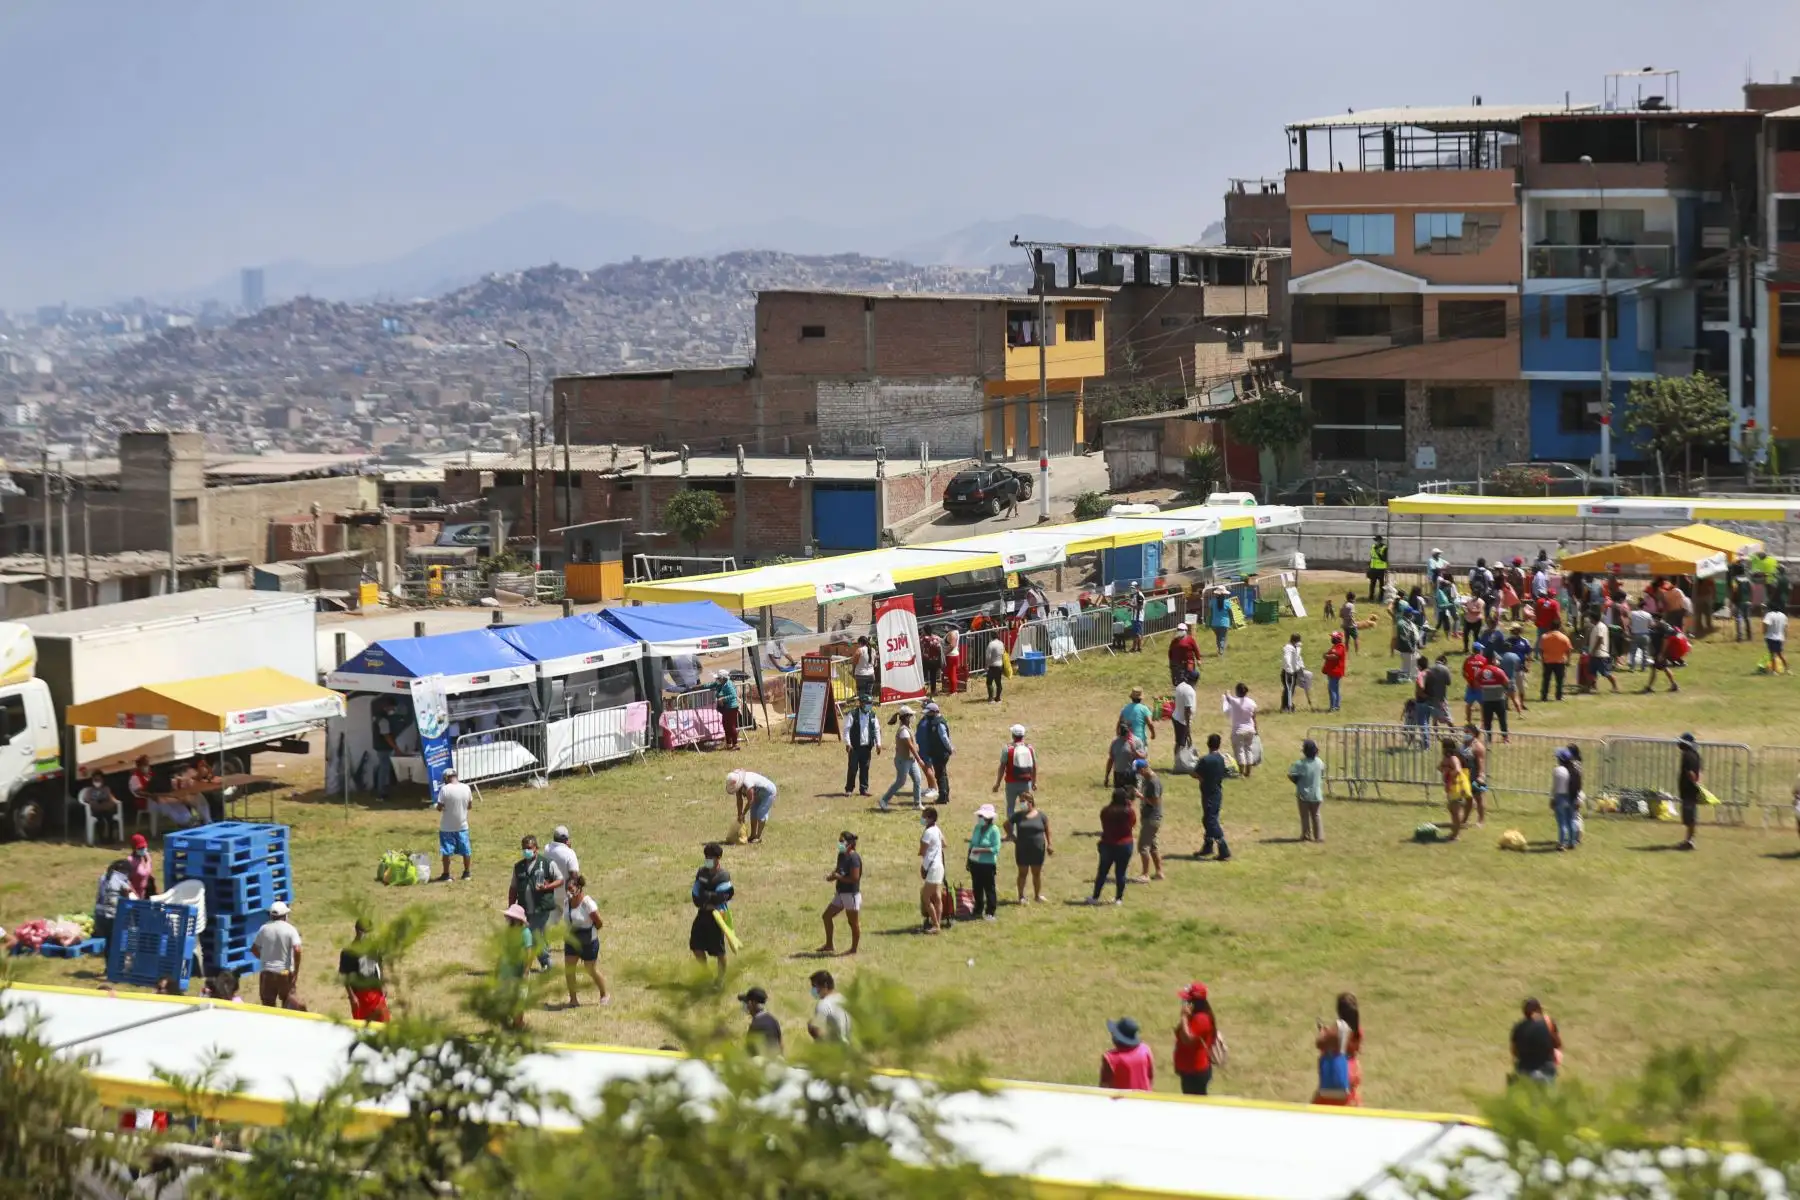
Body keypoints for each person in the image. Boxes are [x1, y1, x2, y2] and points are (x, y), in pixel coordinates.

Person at [507, 835, 559, 971]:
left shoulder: (547, 863)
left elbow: (560, 880)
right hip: (524, 909)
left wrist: (547, 886)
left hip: (541, 907)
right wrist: (511, 908)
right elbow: (513, 888)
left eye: (529, 848)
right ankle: (542, 962)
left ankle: (543, 962)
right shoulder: (518, 867)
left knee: (532, 935)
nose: (526, 851)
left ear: (536, 848)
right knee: (533, 936)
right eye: (524, 848)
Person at [560, 872, 609, 1007]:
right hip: (572, 940)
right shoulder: (566, 902)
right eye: (567, 889)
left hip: (588, 942)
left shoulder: (587, 903)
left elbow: (599, 923)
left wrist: (587, 932)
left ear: (579, 888)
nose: (569, 892)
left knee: (590, 969)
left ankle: (604, 994)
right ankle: (573, 1000)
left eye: (571, 889)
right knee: (569, 970)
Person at [690, 843, 734, 983]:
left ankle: (720, 980)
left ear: (718, 858)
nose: (708, 860)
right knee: (696, 947)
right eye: (706, 857)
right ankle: (707, 975)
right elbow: (696, 894)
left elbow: (722, 897)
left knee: (719, 951)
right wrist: (707, 898)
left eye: (711, 857)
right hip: (702, 914)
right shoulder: (702, 872)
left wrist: (707, 896)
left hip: (717, 916)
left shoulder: (723, 876)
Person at [1086, 785, 1136, 906]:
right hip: (1125, 844)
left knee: (1102, 872)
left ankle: (1095, 896)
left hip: (1108, 844)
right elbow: (1133, 824)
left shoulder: (1106, 811)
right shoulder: (1129, 812)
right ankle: (1118, 898)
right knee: (1121, 873)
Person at [251, 900, 305, 1011]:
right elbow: (297, 949)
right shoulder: (290, 929)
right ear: (285, 915)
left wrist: (265, 959)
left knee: (268, 1005)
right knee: (288, 1001)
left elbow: (254, 949)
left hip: (267, 972)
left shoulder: (264, 929)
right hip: (284, 972)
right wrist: (295, 970)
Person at [1314, 994, 1363, 1106]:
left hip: (1338, 1072)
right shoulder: (1357, 1030)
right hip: (1353, 1070)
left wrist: (1323, 1033)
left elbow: (1320, 1044)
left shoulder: (1338, 1028)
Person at [819, 831, 862, 955]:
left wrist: (838, 877)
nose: (840, 844)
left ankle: (853, 949)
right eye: (839, 841)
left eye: (842, 841)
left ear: (850, 843)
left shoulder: (854, 858)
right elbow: (839, 871)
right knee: (826, 916)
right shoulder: (841, 855)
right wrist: (832, 876)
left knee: (853, 923)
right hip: (841, 893)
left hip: (851, 895)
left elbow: (854, 878)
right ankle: (829, 945)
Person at [338, 918, 388, 1023]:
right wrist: (352, 997)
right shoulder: (348, 952)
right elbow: (344, 975)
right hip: (360, 996)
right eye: (366, 932)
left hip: (376, 993)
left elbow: (379, 965)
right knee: (363, 1027)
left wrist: (383, 983)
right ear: (358, 931)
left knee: (384, 1025)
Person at [1172, 982, 1217, 1095]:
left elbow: (1187, 1039)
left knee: (1195, 1103)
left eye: (1187, 1000)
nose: (1184, 1003)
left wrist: (1184, 1017)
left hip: (1195, 1071)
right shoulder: (1193, 1016)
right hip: (1188, 1069)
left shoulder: (1201, 1019)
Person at [879, 707, 924, 812]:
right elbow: (910, 746)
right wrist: (919, 759)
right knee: (900, 782)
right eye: (911, 715)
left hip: (910, 759)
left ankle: (917, 803)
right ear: (906, 717)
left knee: (917, 779)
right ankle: (884, 800)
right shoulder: (903, 731)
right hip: (903, 760)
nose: (913, 717)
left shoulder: (908, 728)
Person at [1010, 790, 1052, 903]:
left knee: (1036, 873)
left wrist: (1050, 844)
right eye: (1020, 801)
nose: (1021, 803)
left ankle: (1037, 896)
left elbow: (1047, 829)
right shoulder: (1018, 815)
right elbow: (1006, 824)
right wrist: (1012, 836)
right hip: (1022, 849)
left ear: (1030, 801)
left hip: (1037, 849)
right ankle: (1021, 897)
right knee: (1022, 873)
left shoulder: (1041, 815)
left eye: (1023, 801)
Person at [1196, 733, 1232, 862]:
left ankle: (1223, 848)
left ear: (1208, 744)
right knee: (1208, 819)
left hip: (1208, 792)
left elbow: (1195, 773)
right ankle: (1208, 845)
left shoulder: (1205, 760)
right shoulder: (1221, 759)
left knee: (1210, 820)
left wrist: (1202, 779)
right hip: (1217, 791)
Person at [992, 723, 1037, 827]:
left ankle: (1010, 831)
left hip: (1011, 783)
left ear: (1013, 735)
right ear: (1023, 735)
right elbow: (1034, 766)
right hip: (1026, 783)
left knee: (1010, 807)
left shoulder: (1007, 749)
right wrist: (1034, 782)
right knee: (1026, 807)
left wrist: (997, 783)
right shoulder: (1030, 748)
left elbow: (1002, 767)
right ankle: (1026, 829)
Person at [433, 769, 474, 882]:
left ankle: (446, 874)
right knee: (466, 850)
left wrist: (438, 806)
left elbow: (439, 807)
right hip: (462, 825)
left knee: (446, 851)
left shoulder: (445, 789)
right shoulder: (466, 788)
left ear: (446, 778)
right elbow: (470, 806)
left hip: (447, 827)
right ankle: (467, 873)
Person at [1510, 997, 1562, 1085]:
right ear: (1539, 1010)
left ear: (1524, 1012)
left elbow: (1514, 1052)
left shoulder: (1518, 1027)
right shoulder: (1548, 1023)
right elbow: (1558, 1045)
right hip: (1545, 1071)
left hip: (1523, 1071)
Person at [840, 695, 882, 797]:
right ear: (861, 703)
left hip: (867, 747)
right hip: (855, 747)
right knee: (853, 768)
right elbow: (846, 730)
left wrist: (878, 743)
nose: (869, 705)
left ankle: (864, 789)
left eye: (870, 703)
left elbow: (876, 729)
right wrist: (848, 743)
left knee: (865, 768)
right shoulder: (853, 714)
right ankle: (849, 789)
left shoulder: (872, 715)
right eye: (867, 703)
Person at [965, 804, 1002, 920]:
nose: (979, 818)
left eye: (982, 816)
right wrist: (968, 859)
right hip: (975, 863)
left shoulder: (994, 830)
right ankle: (978, 909)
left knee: (989, 888)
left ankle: (990, 911)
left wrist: (980, 850)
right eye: (979, 816)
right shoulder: (977, 828)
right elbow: (972, 844)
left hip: (987, 864)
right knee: (977, 887)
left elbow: (996, 848)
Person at [1099, 1017, 1154, 1092]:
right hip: (1145, 1098)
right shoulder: (1145, 1050)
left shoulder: (1111, 1058)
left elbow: (1104, 1087)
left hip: (1121, 1099)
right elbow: (1150, 1077)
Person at [728, 768, 779, 844]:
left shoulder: (748, 783)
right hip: (757, 794)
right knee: (753, 813)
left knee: (761, 813)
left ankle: (758, 837)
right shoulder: (738, 786)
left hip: (768, 793)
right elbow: (739, 800)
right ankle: (753, 835)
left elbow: (750, 801)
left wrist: (743, 814)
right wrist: (739, 814)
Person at [1133, 758, 1165, 882]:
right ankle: (1159, 873)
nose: (1138, 773)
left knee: (1143, 846)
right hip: (1149, 817)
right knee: (1153, 846)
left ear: (1144, 768)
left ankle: (1145, 875)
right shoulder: (1146, 779)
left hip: (1152, 818)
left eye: (1139, 771)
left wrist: (1140, 796)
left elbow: (1155, 802)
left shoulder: (1153, 782)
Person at [917, 700, 952, 804]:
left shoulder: (939, 723)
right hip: (937, 752)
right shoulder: (934, 721)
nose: (927, 715)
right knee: (942, 774)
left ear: (935, 712)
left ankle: (942, 797)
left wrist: (950, 749)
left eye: (929, 713)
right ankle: (945, 796)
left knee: (940, 775)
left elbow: (944, 738)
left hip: (940, 753)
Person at [1289, 738, 1325, 843]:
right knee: (1316, 815)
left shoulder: (1300, 764)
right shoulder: (1319, 762)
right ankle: (1319, 837)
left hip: (1303, 794)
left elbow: (1291, 774)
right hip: (1317, 794)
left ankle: (1306, 835)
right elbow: (1322, 771)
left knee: (1305, 816)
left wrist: (1297, 781)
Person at [919, 806, 946, 933]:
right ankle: (937, 924)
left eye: (924, 816)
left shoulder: (928, 832)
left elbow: (922, 851)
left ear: (930, 818)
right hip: (939, 866)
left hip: (932, 868)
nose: (922, 819)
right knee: (937, 897)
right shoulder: (937, 829)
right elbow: (944, 844)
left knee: (925, 898)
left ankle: (935, 925)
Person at [544, 825, 579, 924]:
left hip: (551, 893)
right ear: (566, 839)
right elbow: (574, 875)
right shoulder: (570, 853)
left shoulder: (547, 849)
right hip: (565, 894)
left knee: (551, 922)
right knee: (570, 922)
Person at [1439, 738, 1473, 841]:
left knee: (1455, 810)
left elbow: (1458, 770)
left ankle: (1455, 835)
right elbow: (1440, 767)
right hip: (1452, 787)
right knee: (1452, 809)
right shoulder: (1447, 758)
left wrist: (1451, 778)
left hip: (1457, 787)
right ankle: (1454, 833)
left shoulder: (1453, 758)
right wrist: (1445, 769)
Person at [92, 858, 133, 943]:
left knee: (104, 939)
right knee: (113, 940)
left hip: (99, 913)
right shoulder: (120, 878)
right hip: (112, 915)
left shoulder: (104, 876)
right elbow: (127, 892)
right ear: (124, 870)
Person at [1222, 682, 1258, 778]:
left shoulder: (1235, 701)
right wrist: (1256, 729)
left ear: (1237, 691)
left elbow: (1228, 698)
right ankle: (1248, 772)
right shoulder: (1252, 702)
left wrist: (1227, 692)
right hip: (1250, 729)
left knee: (1239, 751)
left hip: (1238, 730)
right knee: (1248, 750)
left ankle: (1241, 773)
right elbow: (1254, 717)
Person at [1474, 653, 1511, 743]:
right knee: (1502, 720)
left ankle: (1488, 739)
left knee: (1487, 721)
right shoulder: (1499, 671)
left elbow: (1476, 684)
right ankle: (1505, 738)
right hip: (1499, 699)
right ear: (1494, 660)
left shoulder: (1481, 671)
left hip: (1487, 700)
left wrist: (1485, 687)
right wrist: (1504, 688)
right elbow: (1507, 682)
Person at [1676, 732, 1704, 851]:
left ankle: (1690, 841)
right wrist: (1699, 785)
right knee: (1690, 816)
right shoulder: (1696, 755)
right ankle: (1689, 840)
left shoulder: (1687, 755)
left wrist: (1694, 783)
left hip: (1688, 790)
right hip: (1693, 790)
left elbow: (1691, 772)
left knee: (1689, 817)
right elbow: (1700, 772)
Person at [807, 970, 852, 1043]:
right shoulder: (844, 999)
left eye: (814, 986)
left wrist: (811, 1028)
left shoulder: (823, 1005)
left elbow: (818, 1034)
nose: (813, 990)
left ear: (825, 985)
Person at [369, 697, 400, 801]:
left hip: (379, 746)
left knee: (382, 768)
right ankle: (382, 793)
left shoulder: (377, 717)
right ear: (388, 707)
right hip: (384, 747)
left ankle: (381, 789)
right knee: (384, 770)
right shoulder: (384, 720)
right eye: (393, 708)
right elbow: (386, 735)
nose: (393, 710)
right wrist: (395, 747)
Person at [1642, 618, 1681, 694]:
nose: (1648, 625)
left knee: (1657, 669)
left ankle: (1649, 687)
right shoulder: (1654, 629)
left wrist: (1662, 654)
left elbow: (1665, 641)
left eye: (1649, 623)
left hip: (1660, 653)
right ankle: (1674, 686)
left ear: (1654, 621)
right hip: (1658, 653)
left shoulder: (1660, 629)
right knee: (1663, 668)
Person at [1551, 748, 1580, 852]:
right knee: (1571, 820)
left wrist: (1552, 798)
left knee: (1562, 822)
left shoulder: (1558, 770)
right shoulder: (1575, 770)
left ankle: (1562, 843)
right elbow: (1578, 787)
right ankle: (1572, 842)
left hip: (1560, 797)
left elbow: (1555, 787)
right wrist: (1577, 799)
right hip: (1572, 797)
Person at [1462, 724, 1490, 829]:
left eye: (1467, 732)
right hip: (1465, 776)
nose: (1465, 734)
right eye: (1464, 732)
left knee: (1479, 799)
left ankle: (1481, 820)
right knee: (1468, 799)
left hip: (1475, 776)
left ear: (1474, 733)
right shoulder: (1465, 744)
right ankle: (1464, 820)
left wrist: (1481, 776)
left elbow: (1481, 763)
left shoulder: (1478, 746)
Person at [740, 987, 783, 1055]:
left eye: (747, 1002)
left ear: (752, 1003)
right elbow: (780, 1045)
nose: (746, 1005)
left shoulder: (756, 1025)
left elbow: (750, 1052)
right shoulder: (773, 1020)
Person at [1106, 720, 1146, 790]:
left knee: (1132, 796)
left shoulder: (1137, 741)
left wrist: (1134, 750)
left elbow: (1143, 757)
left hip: (1132, 774)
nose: (1122, 731)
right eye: (1121, 729)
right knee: (1119, 796)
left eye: (1124, 729)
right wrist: (1107, 776)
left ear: (1130, 729)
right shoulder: (1115, 742)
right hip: (1118, 775)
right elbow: (1111, 759)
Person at [78, 769, 120, 836]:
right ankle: (101, 837)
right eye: (95, 780)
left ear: (102, 780)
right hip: (96, 810)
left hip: (106, 809)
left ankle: (110, 836)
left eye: (99, 780)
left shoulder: (106, 789)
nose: (97, 782)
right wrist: (94, 801)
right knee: (100, 821)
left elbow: (110, 798)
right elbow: (87, 799)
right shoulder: (90, 790)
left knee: (110, 818)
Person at [1537, 622, 1571, 701]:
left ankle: (1544, 696)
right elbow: (1568, 650)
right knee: (1559, 680)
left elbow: (1541, 650)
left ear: (1550, 627)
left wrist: (1542, 659)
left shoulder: (1544, 637)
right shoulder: (1564, 637)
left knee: (1546, 680)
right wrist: (1568, 660)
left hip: (1547, 661)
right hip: (1560, 661)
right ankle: (1559, 696)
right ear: (1559, 627)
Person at [711, 669, 742, 751]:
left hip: (732, 707)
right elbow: (711, 685)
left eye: (718, 678)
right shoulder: (723, 684)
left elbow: (733, 695)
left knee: (731, 726)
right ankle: (728, 744)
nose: (717, 679)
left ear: (723, 678)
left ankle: (735, 744)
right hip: (727, 707)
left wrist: (722, 699)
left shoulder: (728, 684)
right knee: (726, 725)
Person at [1171, 668, 1198, 749]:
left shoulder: (1180, 685)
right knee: (1181, 745)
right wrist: (1187, 728)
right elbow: (1187, 710)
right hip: (1182, 721)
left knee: (1179, 742)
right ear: (1195, 681)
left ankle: (1178, 756)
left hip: (1176, 717)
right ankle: (1178, 757)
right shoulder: (1190, 691)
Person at [1168, 622, 1200, 687]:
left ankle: (1190, 689)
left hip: (1189, 662)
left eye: (1181, 630)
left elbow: (1196, 649)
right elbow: (1170, 651)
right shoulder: (1174, 641)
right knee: (1179, 679)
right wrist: (1171, 661)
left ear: (1185, 631)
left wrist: (1198, 659)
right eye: (1178, 629)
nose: (1179, 631)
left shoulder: (1190, 639)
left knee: (1190, 677)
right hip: (1177, 663)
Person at [1627, 597, 1655, 671]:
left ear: (1637, 606)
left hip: (1635, 634)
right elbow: (1652, 625)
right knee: (1645, 652)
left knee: (1633, 652)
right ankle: (1643, 667)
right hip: (1645, 634)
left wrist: (1630, 631)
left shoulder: (1633, 613)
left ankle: (1632, 668)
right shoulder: (1648, 615)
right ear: (1644, 607)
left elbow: (1629, 624)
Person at [125, 833, 156, 900]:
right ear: (134, 848)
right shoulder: (130, 861)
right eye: (140, 848)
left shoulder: (147, 856)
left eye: (144, 847)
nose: (143, 849)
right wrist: (135, 896)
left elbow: (148, 873)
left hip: (146, 895)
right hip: (135, 897)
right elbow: (126, 881)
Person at [1322, 633, 1347, 713]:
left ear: (1337, 639)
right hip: (1332, 671)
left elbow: (1335, 656)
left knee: (1332, 689)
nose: (1331, 639)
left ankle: (1333, 707)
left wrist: (1326, 656)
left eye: (1333, 637)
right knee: (1335, 689)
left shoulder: (1340, 646)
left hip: (1335, 671)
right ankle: (1336, 706)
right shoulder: (1336, 646)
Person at [1280, 634, 1304, 713]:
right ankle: (1286, 706)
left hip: (1294, 671)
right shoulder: (1288, 648)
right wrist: (1289, 670)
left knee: (1291, 690)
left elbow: (1298, 658)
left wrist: (1301, 667)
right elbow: (1287, 659)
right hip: (1288, 672)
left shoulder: (1297, 647)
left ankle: (1287, 705)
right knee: (1288, 690)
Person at [984, 631, 1008, 703]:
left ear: (991, 636)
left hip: (993, 666)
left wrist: (986, 666)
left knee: (989, 682)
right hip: (1000, 665)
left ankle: (991, 699)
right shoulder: (1001, 643)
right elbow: (1003, 653)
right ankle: (998, 698)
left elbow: (988, 657)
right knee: (998, 683)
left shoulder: (991, 644)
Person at [1766, 603, 1790, 675]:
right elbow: (1786, 627)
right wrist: (1785, 636)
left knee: (1772, 655)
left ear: (1771, 608)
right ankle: (1788, 670)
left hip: (1770, 637)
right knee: (1780, 654)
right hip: (1780, 637)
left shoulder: (1769, 614)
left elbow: (1765, 623)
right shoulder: (1783, 615)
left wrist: (1764, 631)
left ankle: (1774, 671)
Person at [851, 635, 877, 701]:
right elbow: (874, 663)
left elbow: (854, 662)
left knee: (861, 694)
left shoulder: (859, 650)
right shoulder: (873, 650)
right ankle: (869, 705)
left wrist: (853, 671)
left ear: (860, 643)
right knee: (869, 693)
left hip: (861, 675)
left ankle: (863, 706)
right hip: (871, 675)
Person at [1367, 535, 1388, 601]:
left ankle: (1381, 597)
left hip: (1381, 569)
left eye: (1377, 540)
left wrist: (1378, 552)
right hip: (1373, 568)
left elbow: (1384, 559)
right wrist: (1369, 567)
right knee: (1372, 583)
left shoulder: (1384, 547)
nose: (1376, 542)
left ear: (1380, 540)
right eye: (1375, 540)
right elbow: (1372, 557)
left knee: (1381, 584)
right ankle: (1371, 597)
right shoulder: (1373, 546)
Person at [1129, 585, 1147, 653]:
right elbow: (1134, 605)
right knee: (1136, 633)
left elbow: (1140, 607)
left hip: (1138, 617)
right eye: (1131, 588)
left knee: (1137, 634)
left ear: (1137, 588)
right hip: (1134, 617)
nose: (1132, 589)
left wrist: (1131, 605)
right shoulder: (1134, 595)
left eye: (1133, 588)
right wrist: (1130, 608)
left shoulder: (1140, 596)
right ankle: (1137, 648)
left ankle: (1137, 648)